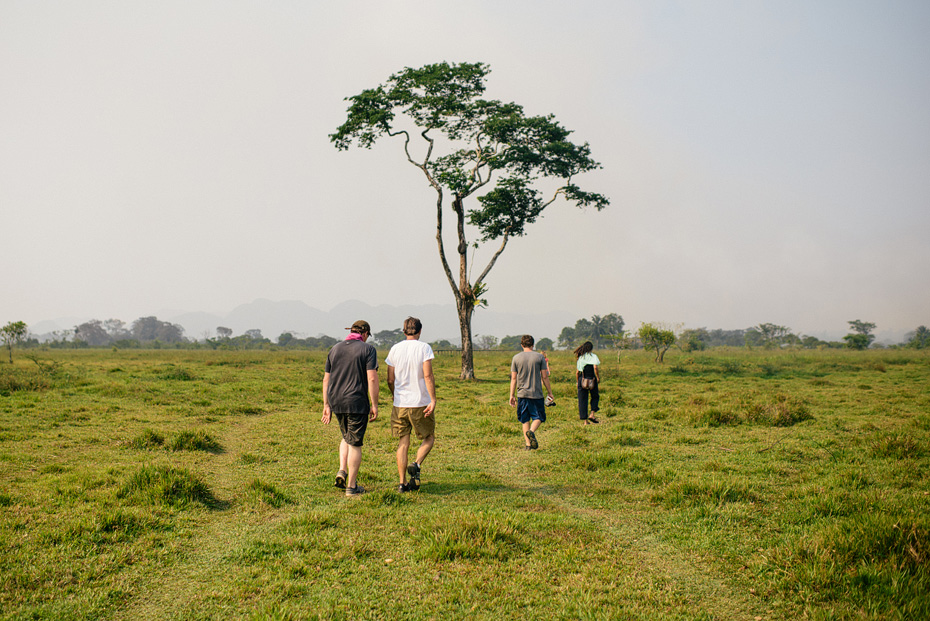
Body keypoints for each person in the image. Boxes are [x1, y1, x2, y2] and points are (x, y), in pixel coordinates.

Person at [321, 320, 379, 497]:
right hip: (356, 402)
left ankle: (342, 470)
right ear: (365, 334)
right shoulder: (368, 350)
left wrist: (326, 405)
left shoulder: (335, 349)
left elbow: (326, 380)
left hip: (336, 401)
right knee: (355, 443)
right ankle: (352, 487)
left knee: (346, 437)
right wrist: (374, 404)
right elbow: (372, 379)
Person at [385, 317, 436, 492]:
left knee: (403, 442)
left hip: (400, 403)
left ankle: (402, 483)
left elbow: (390, 379)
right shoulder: (424, 348)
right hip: (420, 402)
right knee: (429, 437)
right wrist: (433, 399)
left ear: (404, 331)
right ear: (420, 331)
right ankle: (416, 463)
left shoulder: (395, 349)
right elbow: (428, 376)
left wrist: (395, 395)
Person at [509, 334, 555, 450]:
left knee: (525, 419)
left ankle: (528, 445)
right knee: (539, 417)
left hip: (522, 394)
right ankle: (532, 431)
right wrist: (550, 392)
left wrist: (512, 395)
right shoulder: (539, 357)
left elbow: (513, 378)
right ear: (533, 344)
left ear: (522, 345)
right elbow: (545, 377)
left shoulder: (516, 358)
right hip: (536, 393)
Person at [574, 341, 601, 425]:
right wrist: (598, 377)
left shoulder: (581, 357)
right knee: (595, 396)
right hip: (592, 378)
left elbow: (577, 372)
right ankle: (592, 414)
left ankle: (585, 421)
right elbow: (595, 367)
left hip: (582, 379)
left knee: (582, 400)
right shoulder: (593, 356)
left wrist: (577, 381)